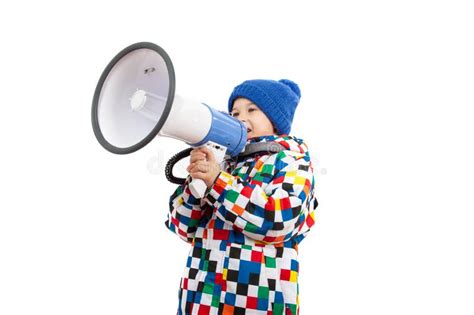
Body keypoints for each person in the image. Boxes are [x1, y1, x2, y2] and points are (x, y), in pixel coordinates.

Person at [166, 79, 317, 315]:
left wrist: (218, 182)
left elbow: (277, 220)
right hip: (201, 301)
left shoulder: (291, 161)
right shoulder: (223, 163)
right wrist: (196, 185)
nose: (240, 117)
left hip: (256, 301)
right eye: (234, 112)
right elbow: (183, 227)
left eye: (252, 109)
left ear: (276, 121)